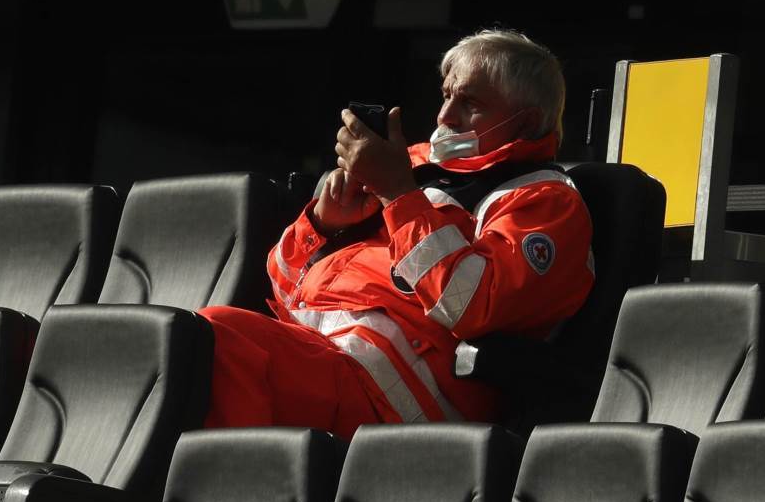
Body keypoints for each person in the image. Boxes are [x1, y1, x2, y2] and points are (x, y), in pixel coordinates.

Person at [199, 28, 594, 436]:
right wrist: (324, 224)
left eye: (470, 102)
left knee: (215, 339)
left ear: (525, 122)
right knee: (182, 339)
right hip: (322, 357)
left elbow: (473, 305)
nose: (445, 115)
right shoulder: (408, 166)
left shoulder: (545, 201)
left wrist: (398, 195)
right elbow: (284, 289)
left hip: (405, 398)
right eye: (446, 95)